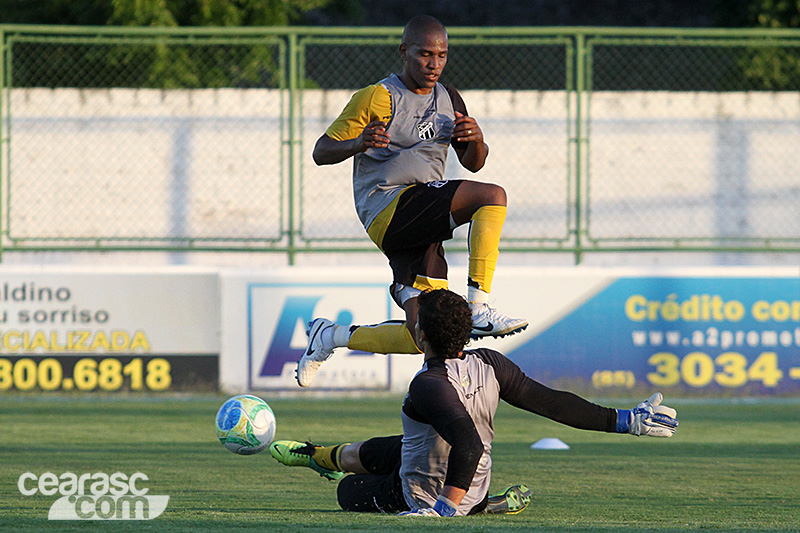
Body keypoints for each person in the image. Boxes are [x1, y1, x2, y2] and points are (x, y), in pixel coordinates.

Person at [273, 289, 679, 516]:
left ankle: (474, 506)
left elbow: (468, 444)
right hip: (472, 480)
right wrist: (625, 420)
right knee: (389, 447)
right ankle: (319, 456)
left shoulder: (428, 384)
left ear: (421, 336)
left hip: (429, 493)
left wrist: (443, 511)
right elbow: (554, 404)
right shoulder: (490, 363)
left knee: (349, 492)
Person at [297, 14, 529, 387]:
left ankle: (330, 336)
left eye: (442, 55)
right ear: (404, 52)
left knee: (428, 335)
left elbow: (473, 162)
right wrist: (359, 142)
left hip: (423, 216)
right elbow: (321, 151)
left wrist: (478, 140)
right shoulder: (377, 97)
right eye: (425, 54)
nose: (434, 64)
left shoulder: (449, 98)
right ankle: (479, 306)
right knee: (492, 196)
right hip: (388, 207)